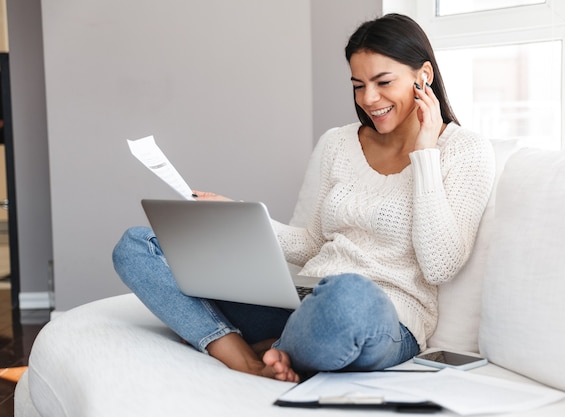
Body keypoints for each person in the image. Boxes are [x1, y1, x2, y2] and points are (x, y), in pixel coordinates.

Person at [112, 13, 495, 383]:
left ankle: (272, 347)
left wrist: (425, 153)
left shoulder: (465, 151)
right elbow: (311, 243)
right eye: (358, 85)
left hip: (379, 315)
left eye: (382, 82)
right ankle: (240, 353)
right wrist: (238, 218)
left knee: (348, 294)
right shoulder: (338, 143)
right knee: (138, 245)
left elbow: (439, 265)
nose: (369, 98)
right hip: (305, 298)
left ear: (422, 76)